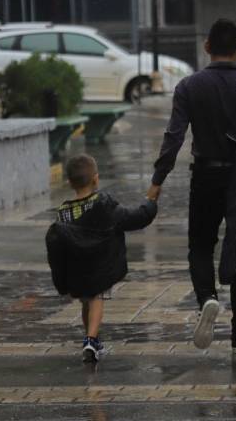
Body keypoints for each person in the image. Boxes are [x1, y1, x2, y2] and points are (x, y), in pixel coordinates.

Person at [148, 19, 236, 354]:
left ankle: (207, 299)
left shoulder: (189, 86)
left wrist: (158, 181)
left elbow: (174, 136)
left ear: (207, 47)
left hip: (206, 175)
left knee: (200, 245)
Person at [46, 155, 158, 363]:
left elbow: (58, 246)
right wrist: (150, 204)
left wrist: (61, 279)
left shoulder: (62, 212)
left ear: (69, 182)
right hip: (98, 267)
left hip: (76, 271)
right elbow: (133, 218)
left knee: (85, 301)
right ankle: (91, 339)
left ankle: (90, 336)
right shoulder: (103, 205)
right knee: (96, 298)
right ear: (96, 179)